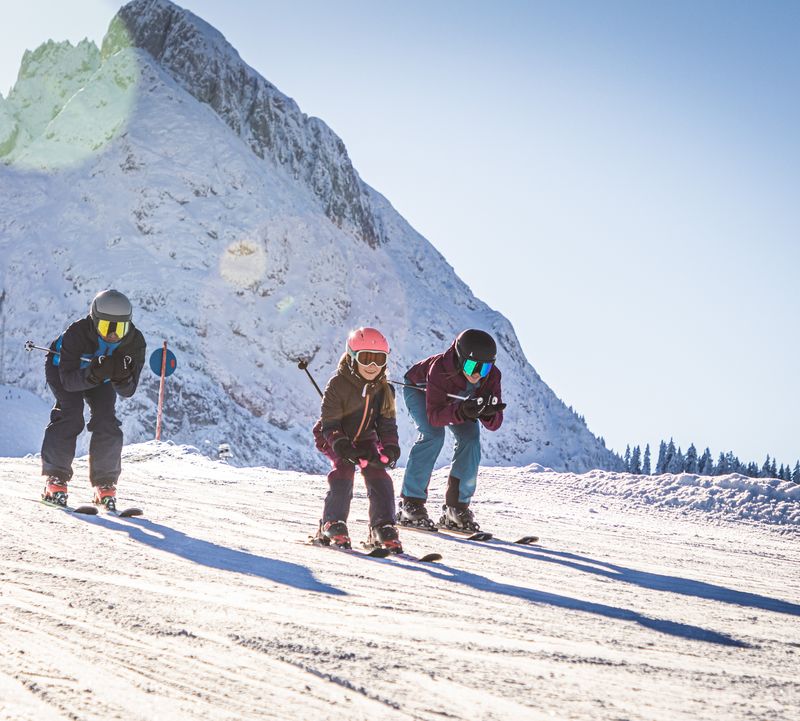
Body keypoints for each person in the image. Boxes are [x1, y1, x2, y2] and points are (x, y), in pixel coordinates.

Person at [40, 289, 146, 511]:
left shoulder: (134, 343)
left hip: (100, 377)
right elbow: (68, 382)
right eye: (107, 327)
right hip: (63, 370)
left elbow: (128, 390)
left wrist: (122, 374)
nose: (113, 335)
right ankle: (55, 480)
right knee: (70, 415)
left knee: (106, 420)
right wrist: (95, 373)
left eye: (120, 328)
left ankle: (104, 484)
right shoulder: (76, 334)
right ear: (94, 320)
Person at [398, 329, 505, 533]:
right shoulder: (440, 369)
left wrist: (488, 413)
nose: (476, 374)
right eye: (472, 365)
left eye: (484, 369)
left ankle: (456, 508)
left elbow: (494, 424)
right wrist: (463, 410)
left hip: (458, 402)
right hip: (420, 391)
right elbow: (435, 417)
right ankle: (411, 503)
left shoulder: (492, 376)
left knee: (471, 440)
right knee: (433, 436)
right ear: (459, 357)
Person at [312, 327, 402, 552]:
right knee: (344, 468)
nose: (372, 366)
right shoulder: (338, 384)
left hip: (364, 439)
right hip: (333, 435)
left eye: (378, 360)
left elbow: (386, 424)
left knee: (377, 472)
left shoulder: (385, 389)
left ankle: (383, 526)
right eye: (366, 359)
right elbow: (329, 422)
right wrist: (341, 445)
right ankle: (332, 522)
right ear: (352, 357)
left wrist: (390, 447)